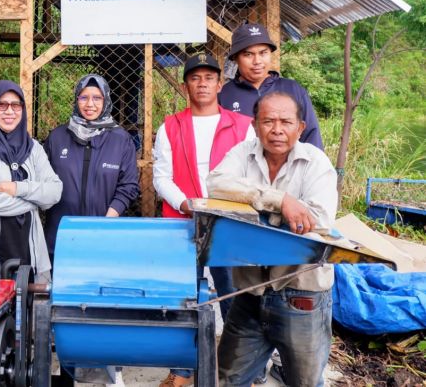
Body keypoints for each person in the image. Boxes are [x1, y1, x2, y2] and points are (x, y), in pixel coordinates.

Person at [207, 91, 337, 387]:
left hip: (301, 294)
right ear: (255, 125)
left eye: (285, 122)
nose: (277, 129)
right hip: (249, 291)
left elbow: (316, 222)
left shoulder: (316, 162)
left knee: (305, 382)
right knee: (225, 380)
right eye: (268, 121)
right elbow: (215, 184)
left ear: (300, 127)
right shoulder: (243, 152)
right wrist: (280, 201)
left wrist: (249, 210)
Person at [153, 53, 255, 387]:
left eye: (209, 78)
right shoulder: (170, 126)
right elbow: (161, 177)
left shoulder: (243, 126)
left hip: (230, 224)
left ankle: (238, 369)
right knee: (184, 296)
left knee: (234, 295)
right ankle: (182, 370)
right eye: (195, 78)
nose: (202, 84)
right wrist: (185, 204)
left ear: (220, 84)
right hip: (184, 222)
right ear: (186, 86)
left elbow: (252, 174)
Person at [0, 80, 62, 282]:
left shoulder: (33, 148)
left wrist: (18, 188)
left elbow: (55, 191)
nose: (9, 111)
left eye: (16, 105)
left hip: (33, 256)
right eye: (1, 104)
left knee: (36, 300)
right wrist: (36, 201)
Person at [44, 74, 139, 261]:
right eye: (83, 97)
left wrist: (106, 223)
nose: (90, 104)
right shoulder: (57, 137)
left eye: (97, 98)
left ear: (106, 100)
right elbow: (42, 181)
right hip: (61, 235)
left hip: (104, 236)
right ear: (76, 100)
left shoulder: (121, 140)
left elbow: (128, 186)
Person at [219, 22, 323, 150]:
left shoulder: (293, 90)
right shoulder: (224, 96)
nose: (257, 61)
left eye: (263, 53)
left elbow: (312, 137)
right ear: (235, 58)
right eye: (248, 54)